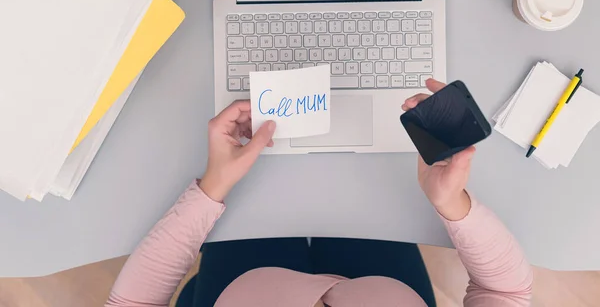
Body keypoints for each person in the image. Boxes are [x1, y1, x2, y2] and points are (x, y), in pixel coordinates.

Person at [105, 79, 533, 307]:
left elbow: (132, 302)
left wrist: (211, 187)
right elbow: (505, 294)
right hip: (381, 286)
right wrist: (451, 203)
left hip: (245, 283)